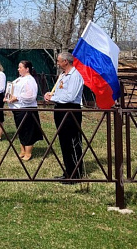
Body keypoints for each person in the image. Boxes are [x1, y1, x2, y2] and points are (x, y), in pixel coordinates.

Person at [44, 52, 85, 180]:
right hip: (60, 110)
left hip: (70, 110)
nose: (57, 63)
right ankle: (68, 171)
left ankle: (76, 173)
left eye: (58, 61)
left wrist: (53, 98)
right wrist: (50, 95)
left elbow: (70, 96)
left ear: (65, 61)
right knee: (64, 141)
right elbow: (59, 92)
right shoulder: (62, 75)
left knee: (72, 141)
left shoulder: (75, 76)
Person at [6, 60, 43, 161]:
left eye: (20, 67)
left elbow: (31, 95)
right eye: (18, 67)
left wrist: (17, 98)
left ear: (27, 69)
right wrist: (8, 96)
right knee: (21, 130)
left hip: (27, 109)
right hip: (18, 109)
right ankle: (22, 150)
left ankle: (28, 152)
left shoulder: (30, 80)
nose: (18, 69)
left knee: (27, 131)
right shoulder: (19, 79)